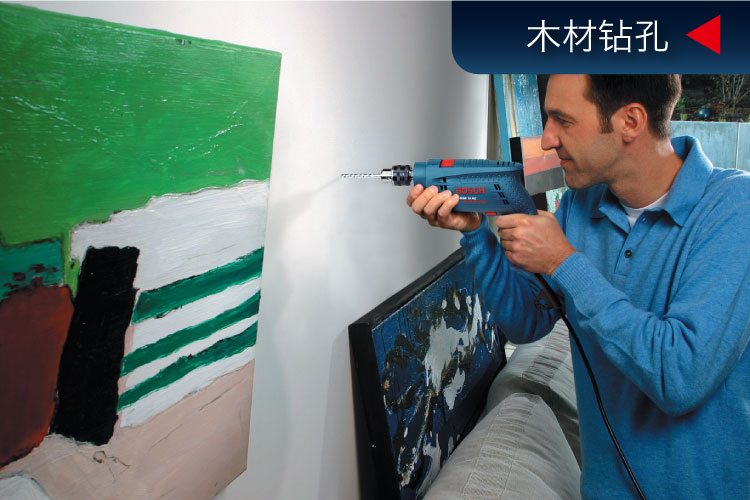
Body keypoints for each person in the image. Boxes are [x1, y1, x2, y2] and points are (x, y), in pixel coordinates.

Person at [407, 74, 750, 499]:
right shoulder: (580, 206)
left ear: (630, 121)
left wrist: (563, 261)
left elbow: (678, 377)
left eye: (563, 120)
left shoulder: (734, 210)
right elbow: (525, 322)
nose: (547, 139)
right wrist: (476, 234)